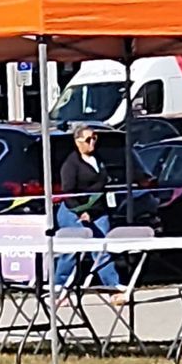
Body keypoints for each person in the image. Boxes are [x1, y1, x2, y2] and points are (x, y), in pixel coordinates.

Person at [54, 124, 123, 295]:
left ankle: (113, 286)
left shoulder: (98, 159)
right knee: (71, 251)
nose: (92, 143)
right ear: (77, 142)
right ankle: (58, 286)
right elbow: (67, 193)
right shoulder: (71, 164)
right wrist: (80, 212)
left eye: (94, 138)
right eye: (87, 139)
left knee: (101, 249)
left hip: (98, 211)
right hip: (73, 211)